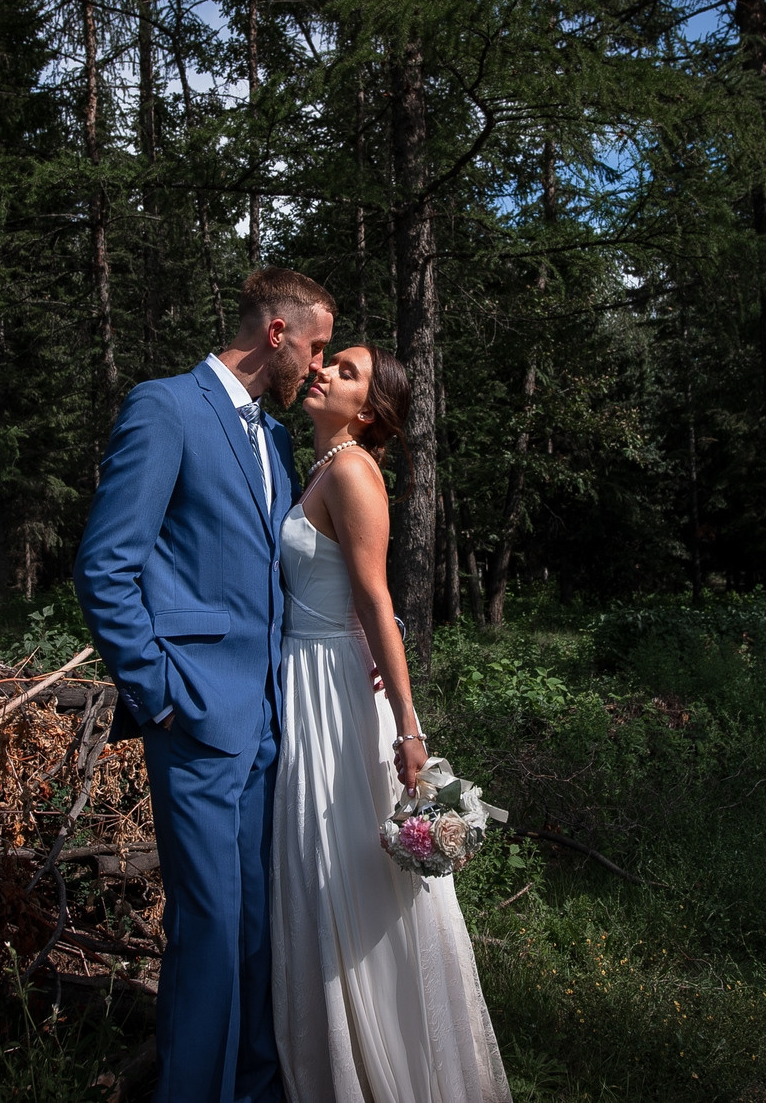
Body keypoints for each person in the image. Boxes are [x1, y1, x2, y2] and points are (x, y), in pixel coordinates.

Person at [75, 268, 337, 1103]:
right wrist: (156, 691)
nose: (320, 365)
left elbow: (282, 571)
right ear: (277, 335)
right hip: (192, 712)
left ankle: (256, 1089)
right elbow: (106, 566)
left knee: (261, 928)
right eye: (317, 345)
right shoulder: (165, 407)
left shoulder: (278, 437)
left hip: (269, 718)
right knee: (211, 927)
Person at [270, 342, 511, 1103]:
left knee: (354, 873)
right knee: (321, 870)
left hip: (337, 688)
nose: (321, 371)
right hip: (305, 679)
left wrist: (409, 725)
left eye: (344, 371)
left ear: (368, 410)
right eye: (327, 361)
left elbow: (375, 600)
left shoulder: (349, 470)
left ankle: (399, 1073)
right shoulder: (315, 464)